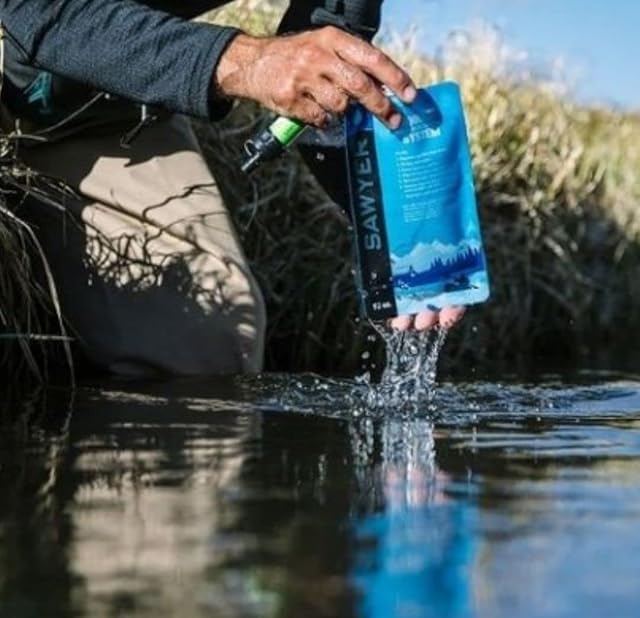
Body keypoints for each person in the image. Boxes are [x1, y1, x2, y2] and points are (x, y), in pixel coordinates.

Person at [0, 0, 464, 377]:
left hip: (104, 104)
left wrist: (392, 227)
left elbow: (324, 80)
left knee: (211, 337)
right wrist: (245, 61)